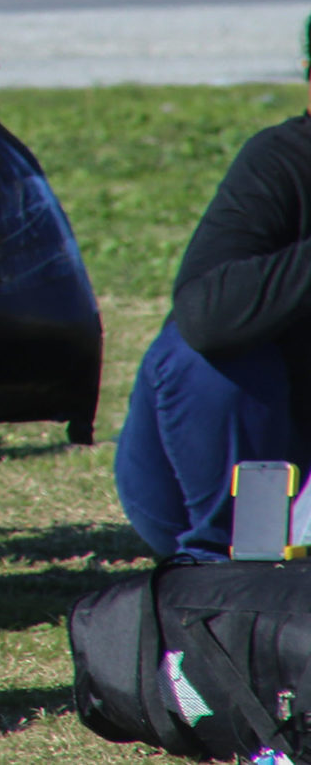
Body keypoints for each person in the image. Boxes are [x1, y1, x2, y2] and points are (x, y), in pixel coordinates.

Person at [116, 48, 311, 563]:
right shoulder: (281, 162)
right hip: (236, 477)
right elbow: (208, 318)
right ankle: (232, 564)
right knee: (211, 350)